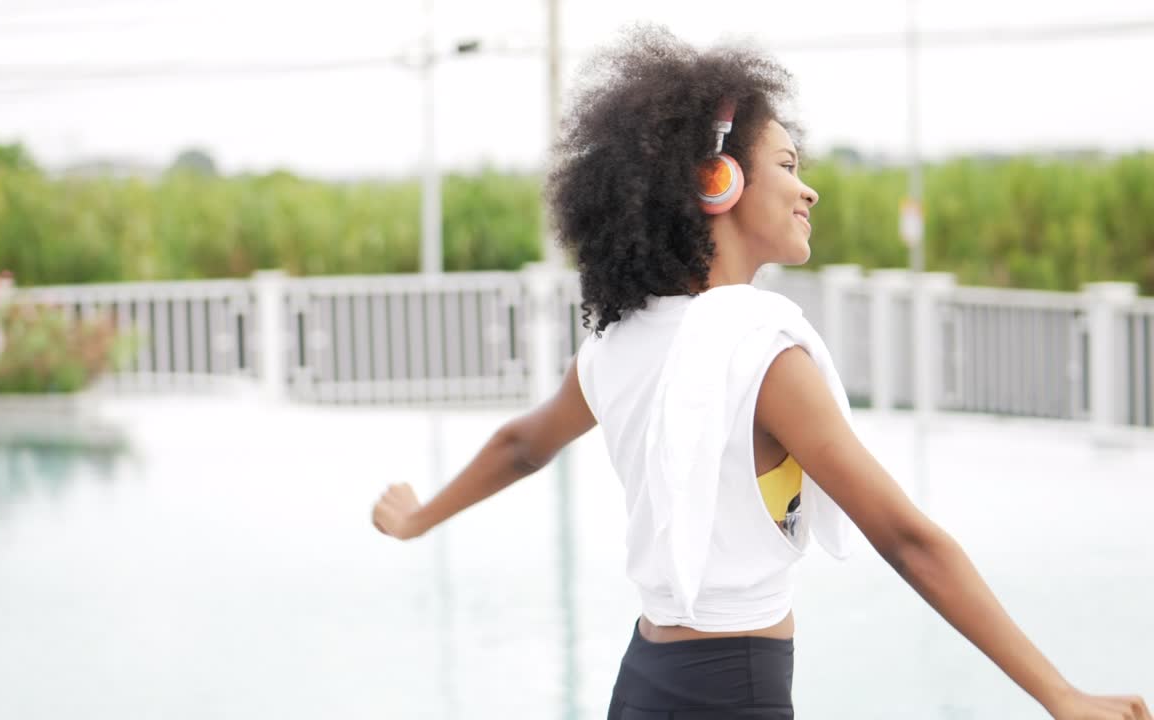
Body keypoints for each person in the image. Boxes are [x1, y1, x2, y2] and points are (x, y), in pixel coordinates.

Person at [371, 25, 1150, 720]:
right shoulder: (762, 356)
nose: (807, 186)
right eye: (786, 163)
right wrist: (1061, 696)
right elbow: (908, 542)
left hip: (641, 685)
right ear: (718, 183)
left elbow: (521, 446)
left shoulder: (615, 346)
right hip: (737, 690)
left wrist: (418, 519)